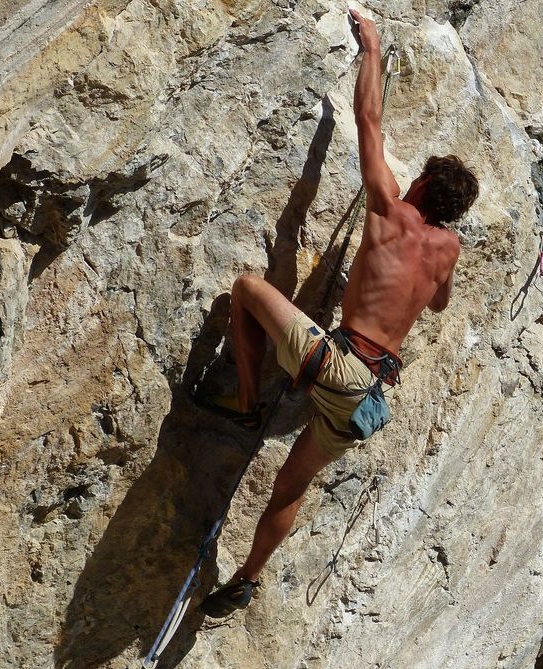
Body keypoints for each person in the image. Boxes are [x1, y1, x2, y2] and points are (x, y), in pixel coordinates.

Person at [198, 9, 479, 617]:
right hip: (369, 397)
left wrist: (372, 46)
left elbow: (368, 119)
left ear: (424, 186)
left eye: (418, 179)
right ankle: (246, 578)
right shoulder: (447, 250)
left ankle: (247, 408)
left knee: (248, 289)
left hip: (339, 365)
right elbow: (440, 300)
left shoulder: (390, 210)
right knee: (289, 488)